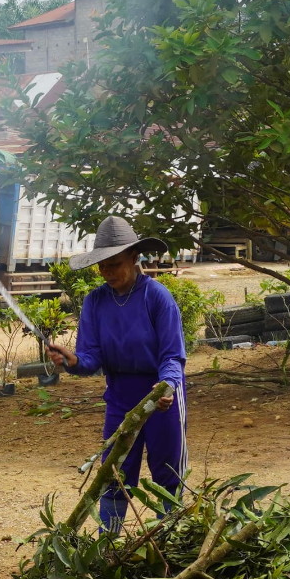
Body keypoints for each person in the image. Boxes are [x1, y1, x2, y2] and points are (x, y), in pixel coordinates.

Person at [45, 216, 187, 532]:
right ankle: (107, 546)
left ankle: (174, 540)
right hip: (120, 396)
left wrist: (166, 388)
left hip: (160, 395)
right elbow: (91, 358)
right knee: (114, 473)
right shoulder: (95, 302)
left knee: (168, 472)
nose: (108, 272)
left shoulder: (157, 297)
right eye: (102, 266)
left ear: (134, 258)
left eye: (115, 264)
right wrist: (72, 360)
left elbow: (172, 356)